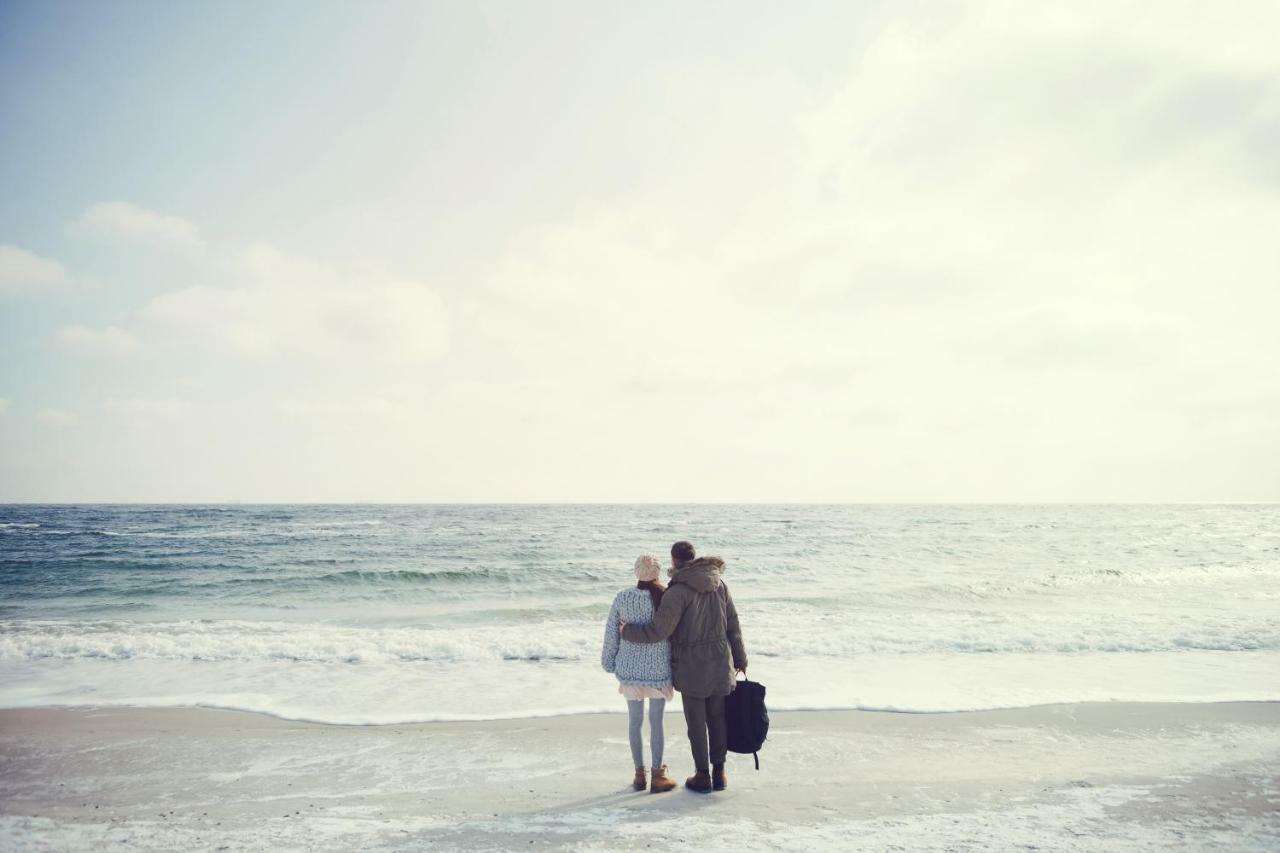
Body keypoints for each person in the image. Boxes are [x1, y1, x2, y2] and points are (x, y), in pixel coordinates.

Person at [621, 541, 747, 794]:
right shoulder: (719, 584)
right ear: (694, 557)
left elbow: (658, 631)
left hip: (692, 667)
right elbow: (733, 623)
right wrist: (741, 658)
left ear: (673, 560)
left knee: (697, 723)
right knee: (718, 718)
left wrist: (627, 631)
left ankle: (702, 776)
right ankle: (719, 772)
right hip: (721, 661)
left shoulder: (677, 592)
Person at [601, 554, 678, 793]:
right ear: (657, 573)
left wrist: (608, 662)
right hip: (659, 669)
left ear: (636, 573)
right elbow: (675, 634)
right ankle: (657, 775)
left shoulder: (623, 597)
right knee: (657, 722)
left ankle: (638, 775)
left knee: (634, 722)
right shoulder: (666, 597)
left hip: (629, 669)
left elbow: (611, 633)